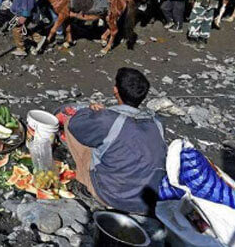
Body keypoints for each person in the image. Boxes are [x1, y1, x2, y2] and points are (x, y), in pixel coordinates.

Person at [62, 68, 166, 214]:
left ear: (115, 90)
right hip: (146, 202)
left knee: (69, 123)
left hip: (110, 196)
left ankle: (84, 183)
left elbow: (75, 123)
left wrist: (92, 111)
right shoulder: (157, 123)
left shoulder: (109, 120)